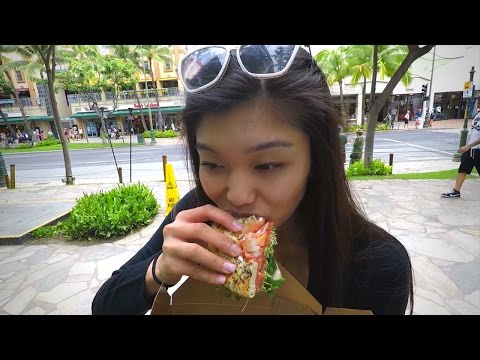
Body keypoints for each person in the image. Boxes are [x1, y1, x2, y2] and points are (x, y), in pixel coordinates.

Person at [92, 45, 413, 315]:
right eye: (213, 164)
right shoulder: (197, 214)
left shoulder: (375, 265)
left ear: (316, 159)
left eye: (268, 165)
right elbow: (104, 305)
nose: (238, 195)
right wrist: (158, 270)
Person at [441, 110, 480, 198]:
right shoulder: (477, 114)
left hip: (477, 149)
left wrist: (468, 146)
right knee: (463, 169)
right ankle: (456, 191)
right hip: (471, 149)